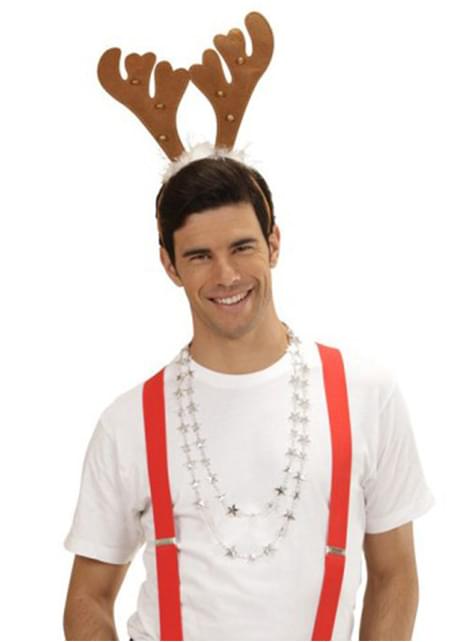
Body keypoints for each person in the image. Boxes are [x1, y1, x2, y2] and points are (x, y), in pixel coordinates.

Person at [62, 12, 436, 641]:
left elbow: (396, 573)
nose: (227, 275)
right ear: (169, 265)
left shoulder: (365, 394)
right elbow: (87, 598)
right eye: (199, 256)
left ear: (274, 243)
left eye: (242, 247)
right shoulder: (129, 422)